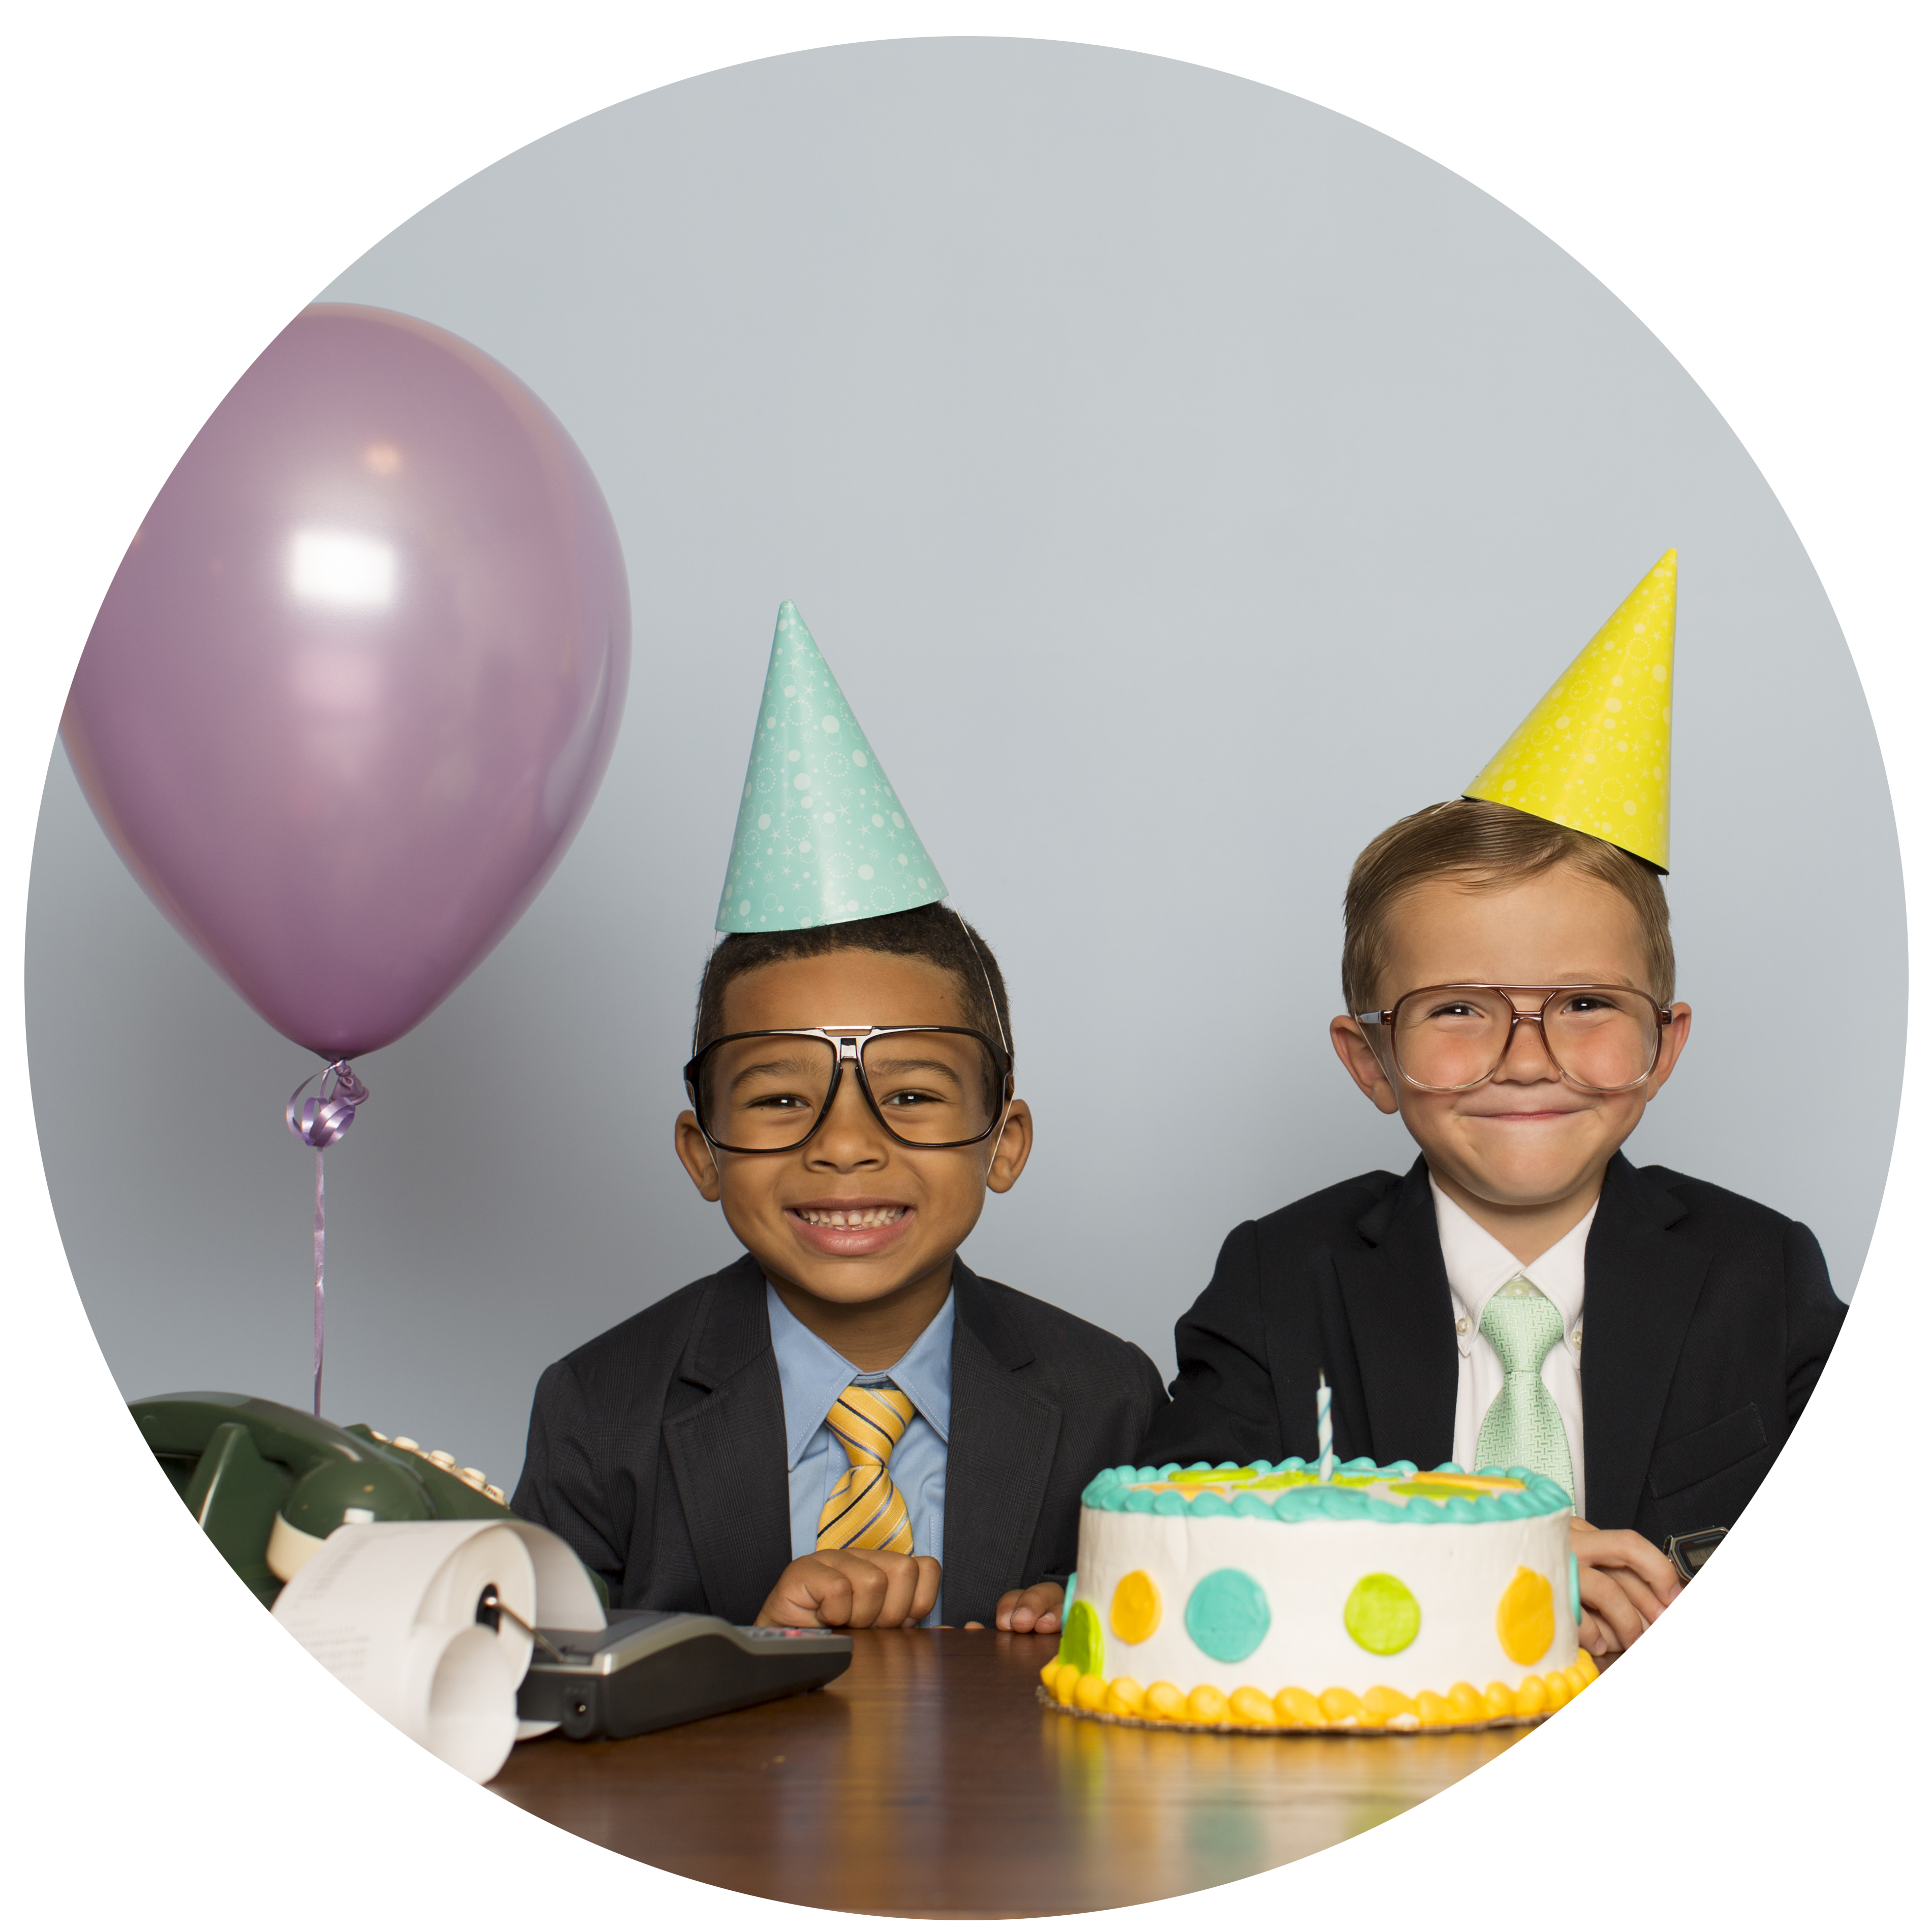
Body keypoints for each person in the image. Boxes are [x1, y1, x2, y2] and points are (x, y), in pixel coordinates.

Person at [1135, 551, 1846, 1659]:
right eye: (1458, 1007)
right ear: (1367, 1058)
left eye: (1581, 1001)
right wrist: (1491, 1565)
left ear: (1663, 1046)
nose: (1525, 1057)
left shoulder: (1760, 1274)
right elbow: (1173, 1556)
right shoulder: (1282, 1280)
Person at [513, 603, 1165, 1632]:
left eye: (909, 1093)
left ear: (1005, 1143)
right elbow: (536, 1688)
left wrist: (1091, 1624)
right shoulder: (601, 1406)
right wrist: (744, 1649)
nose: (846, 1142)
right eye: (778, 1096)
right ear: (701, 1151)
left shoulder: (1108, 1399)